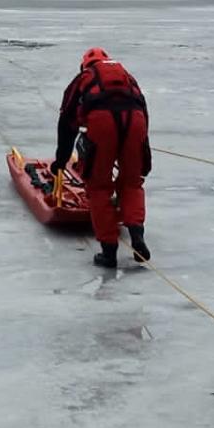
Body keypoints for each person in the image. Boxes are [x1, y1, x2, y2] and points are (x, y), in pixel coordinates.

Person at [52, 47, 150, 268]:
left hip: (102, 124)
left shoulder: (83, 78)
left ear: (85, 64)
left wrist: (61, 160)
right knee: (132, 183)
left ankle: (109, 251)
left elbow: (67, 123)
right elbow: (143, 110)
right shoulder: (127, 76)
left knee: (98, 187)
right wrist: (144, 152)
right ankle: (137, 235)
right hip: (135, 124)